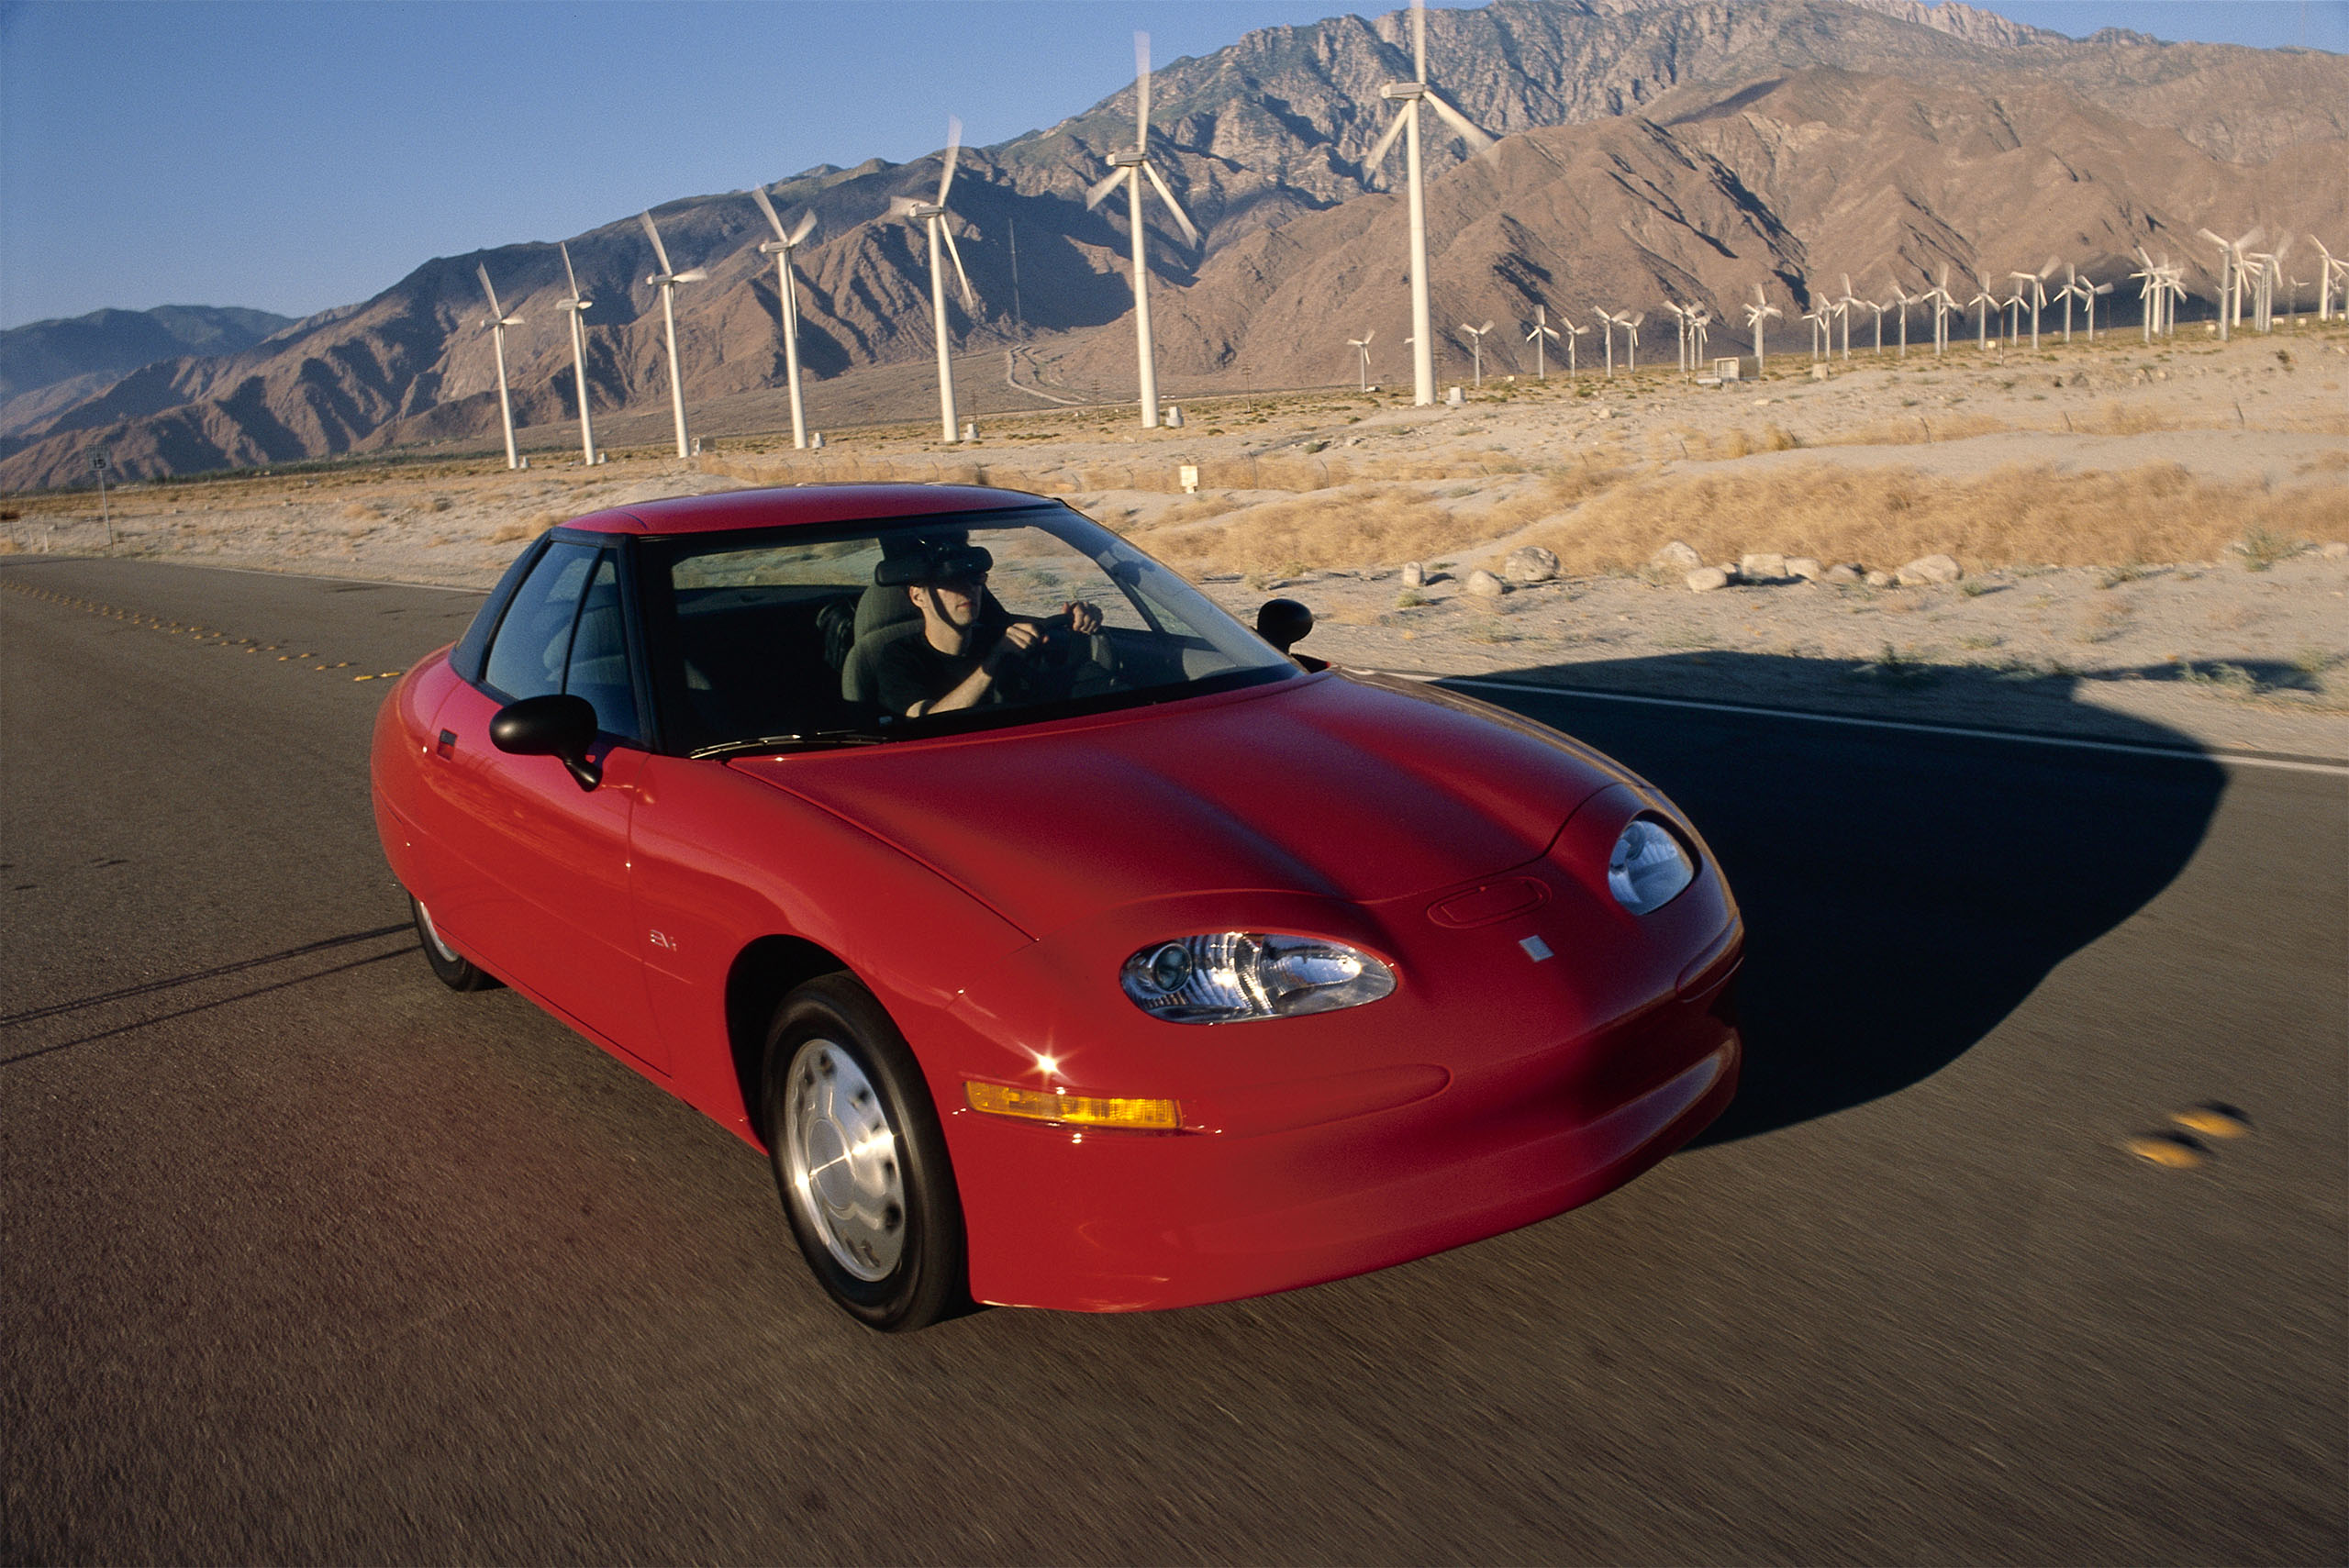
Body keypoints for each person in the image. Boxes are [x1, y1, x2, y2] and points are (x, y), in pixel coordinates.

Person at [872, 541, 1102, 717]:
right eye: (951, 581)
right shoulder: (898, 657)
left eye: (975, 579)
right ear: (917, 596)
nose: (968, 589)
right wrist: (994, 661)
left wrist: (1080, 624)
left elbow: (1067, 685)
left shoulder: (1000, 637)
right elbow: (928, 719)